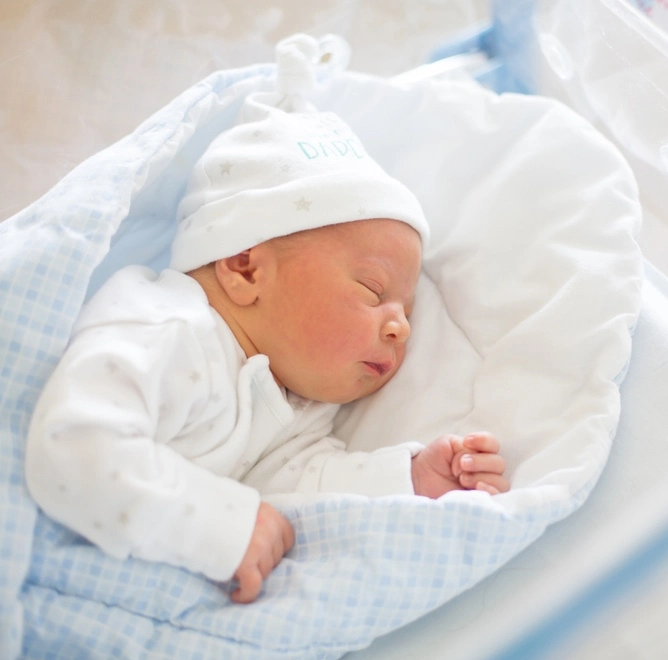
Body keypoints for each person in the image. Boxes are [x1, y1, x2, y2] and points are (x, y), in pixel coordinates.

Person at [24, 92, 509, 605]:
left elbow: (301, 484)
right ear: (246, 269)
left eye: (407, 311)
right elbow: (73, 448)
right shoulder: (167, 328)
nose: (401, 328)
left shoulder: (296, 405)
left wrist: (409, 479)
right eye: (373, 290)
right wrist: (221, 525)